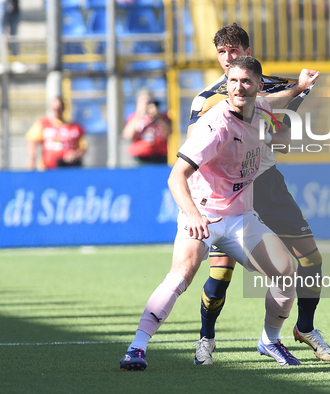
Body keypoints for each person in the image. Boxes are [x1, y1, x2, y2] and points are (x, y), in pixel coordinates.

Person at [120, 57, 301, 370]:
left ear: (259, 87)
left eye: (246, 82)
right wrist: (191, 215)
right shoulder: (215, 126)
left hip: (240, 218)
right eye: (232, 81)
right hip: (204, 214)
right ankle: (137, 347)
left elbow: (278, 102)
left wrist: (301, 87)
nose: (238, 87)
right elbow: (176, 176)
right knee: (181, 276)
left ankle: (269, 341)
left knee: (286, 272)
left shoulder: (261, 109)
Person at [188, 23, 330, 366]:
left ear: (248, 52)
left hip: (267, 182)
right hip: (227, 191)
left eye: (234, 51)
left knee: (311, 259)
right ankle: (206, 339)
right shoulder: (207, 98)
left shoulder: (277, 86)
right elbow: (194, 146)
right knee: (220, 275)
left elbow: (281, 134)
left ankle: (305, 327)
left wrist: (299, 91)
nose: (228, 58)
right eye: (222, 52)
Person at [25, 97, 87, 170]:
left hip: (69, 167)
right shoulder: (44, 123)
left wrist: (74, 154)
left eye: (59, 109)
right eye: (54, 109)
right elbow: (32, 140)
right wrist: (32, 159)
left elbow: (83, 147)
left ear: (63, 108)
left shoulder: (75, 128)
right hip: (48, 168)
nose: (56, 111)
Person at [123, 90, 171, 164]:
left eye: (148, 101)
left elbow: (169, 133)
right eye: (143, 101)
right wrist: (139, 113)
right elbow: (128, 135)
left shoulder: (162, 116)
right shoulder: (133, 117)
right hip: (140, 156)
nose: (146, 104)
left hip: (161, 155)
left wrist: (158, 116)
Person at [0, 0, 26, 74]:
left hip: (14, 2)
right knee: (0, 33)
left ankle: (15, 60)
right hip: (0, 3)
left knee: (14, 33)